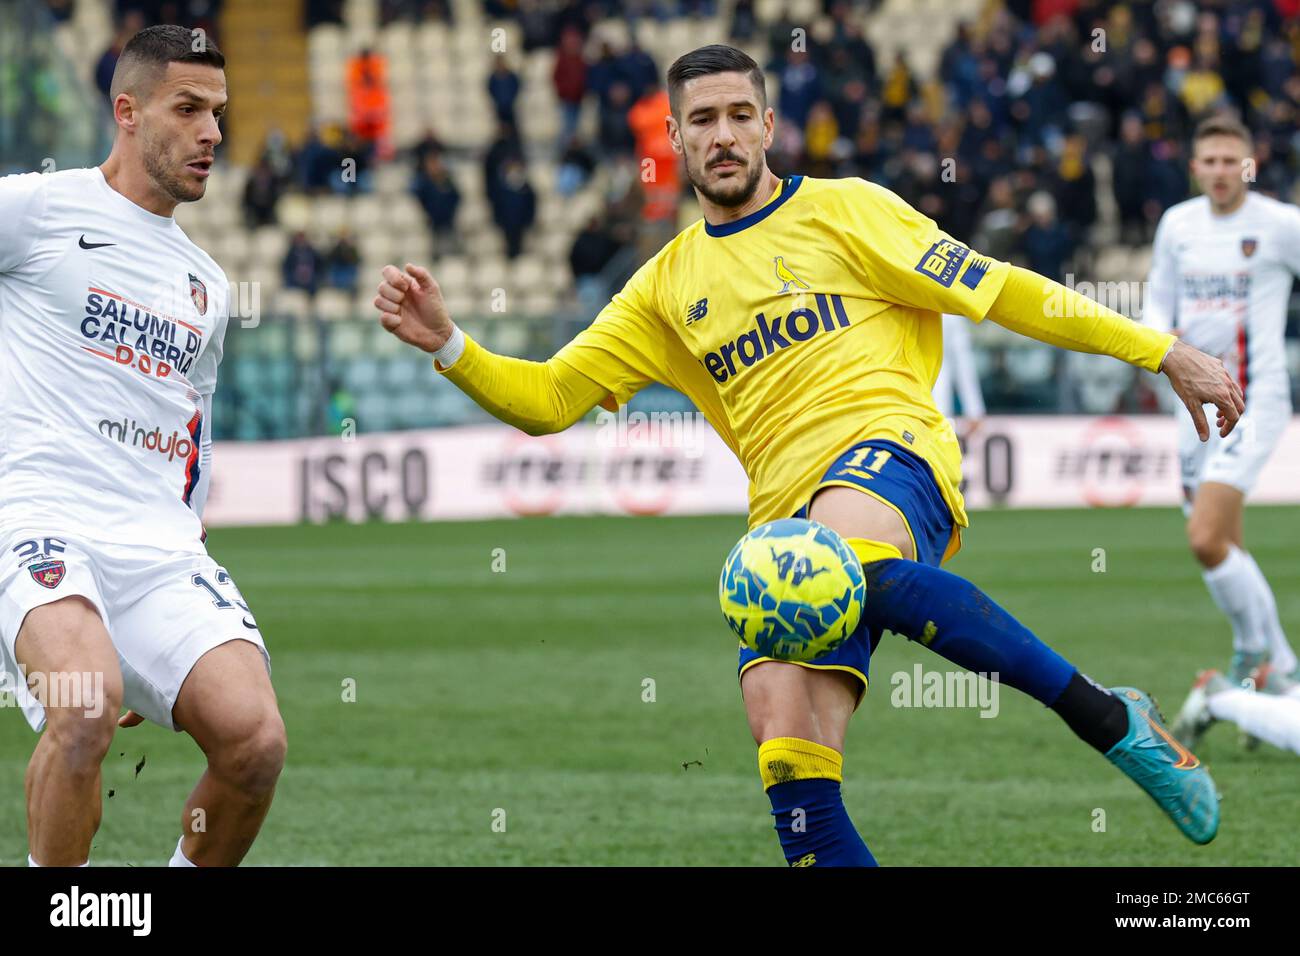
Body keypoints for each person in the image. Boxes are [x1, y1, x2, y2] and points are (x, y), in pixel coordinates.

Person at [374, 45, 1242, 865]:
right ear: (673, 137)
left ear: (768, 126)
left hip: (890, 455)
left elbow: (1002, 288)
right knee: (785, 745)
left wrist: (1159, 350)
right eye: (703, 119)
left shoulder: (848, 209)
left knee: (850, 556)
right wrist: (450, 343)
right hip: (780, 523)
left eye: (740, 115)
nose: (722, 135)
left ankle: (1109, 720)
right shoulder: (662, 289)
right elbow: (548, 400)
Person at [0, 25, 284, 867]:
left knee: (254, 742)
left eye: (220, 114)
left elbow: (190, 443)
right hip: (40, 514)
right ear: (126, 112)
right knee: (85, 708)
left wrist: (185, 549)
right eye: (188, 109)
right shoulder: (38, 210)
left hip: (157, 547)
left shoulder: (206, 285)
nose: (213, 135)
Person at [1145, 114, 1300, 688]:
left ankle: (1253, 649)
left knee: (1206, 537)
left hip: (1256, 400)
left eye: (1229, 160)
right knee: (1226, 542)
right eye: (1208, 161)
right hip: (1192, 408)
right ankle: (1280, 668)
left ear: (1249, 165)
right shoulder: (1177, 225)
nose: (1219, 171)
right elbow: (1158, 303)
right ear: (1193, 168)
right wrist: (1159, 348)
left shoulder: (1281, 226)